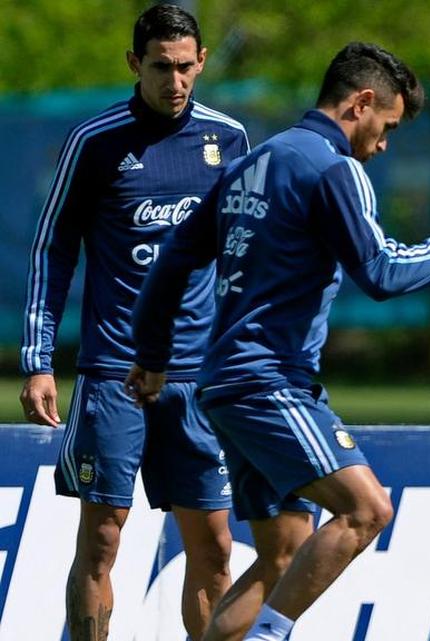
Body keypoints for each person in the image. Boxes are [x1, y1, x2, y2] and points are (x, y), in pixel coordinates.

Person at [126, 42, 430, 641]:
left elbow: (172, 262)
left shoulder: (255, 161)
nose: (384, 144)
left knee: (283, 555)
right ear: (361, 102)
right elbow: (383, 272)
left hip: (224, 386)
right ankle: (271, 636)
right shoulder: (333, 168)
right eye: (386, 126)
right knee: (367, 509)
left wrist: (153, 357)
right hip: (269, 381)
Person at [17, 5, 247, 640]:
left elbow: (241, 253)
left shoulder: (228, 140)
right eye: (160, 67)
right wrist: (38, 360)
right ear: (134, 64)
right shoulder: (95, 142)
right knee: (102, 540)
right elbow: (51, 248)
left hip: (197, 376)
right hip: (115, 371)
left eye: (185, 67)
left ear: (202, 62)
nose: (175, 82)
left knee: (217, 546)